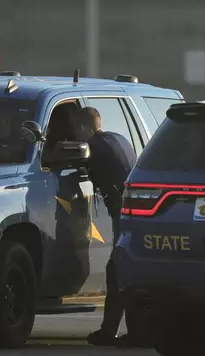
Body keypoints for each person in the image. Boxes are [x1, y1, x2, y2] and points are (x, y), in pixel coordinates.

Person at [77, 107, 144, 347]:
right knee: (126, 269)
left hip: (126, 214)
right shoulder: (118, 138)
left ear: (85, 128)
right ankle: (135, 332)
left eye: (77, 130)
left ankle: (125, 333)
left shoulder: (94, 147)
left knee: (119, 271)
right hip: (139, 212)